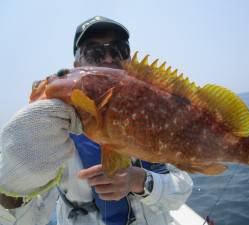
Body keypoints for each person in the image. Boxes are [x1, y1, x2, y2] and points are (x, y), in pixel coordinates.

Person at [0, 16, 193, 225]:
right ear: (77, 66)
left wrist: (140, 180)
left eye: (119, 50)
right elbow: (24, 220)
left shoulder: (158, 118)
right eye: (95, 53)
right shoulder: (52, 129)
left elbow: (183, 189)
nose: (109, 59)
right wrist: (13, 185)